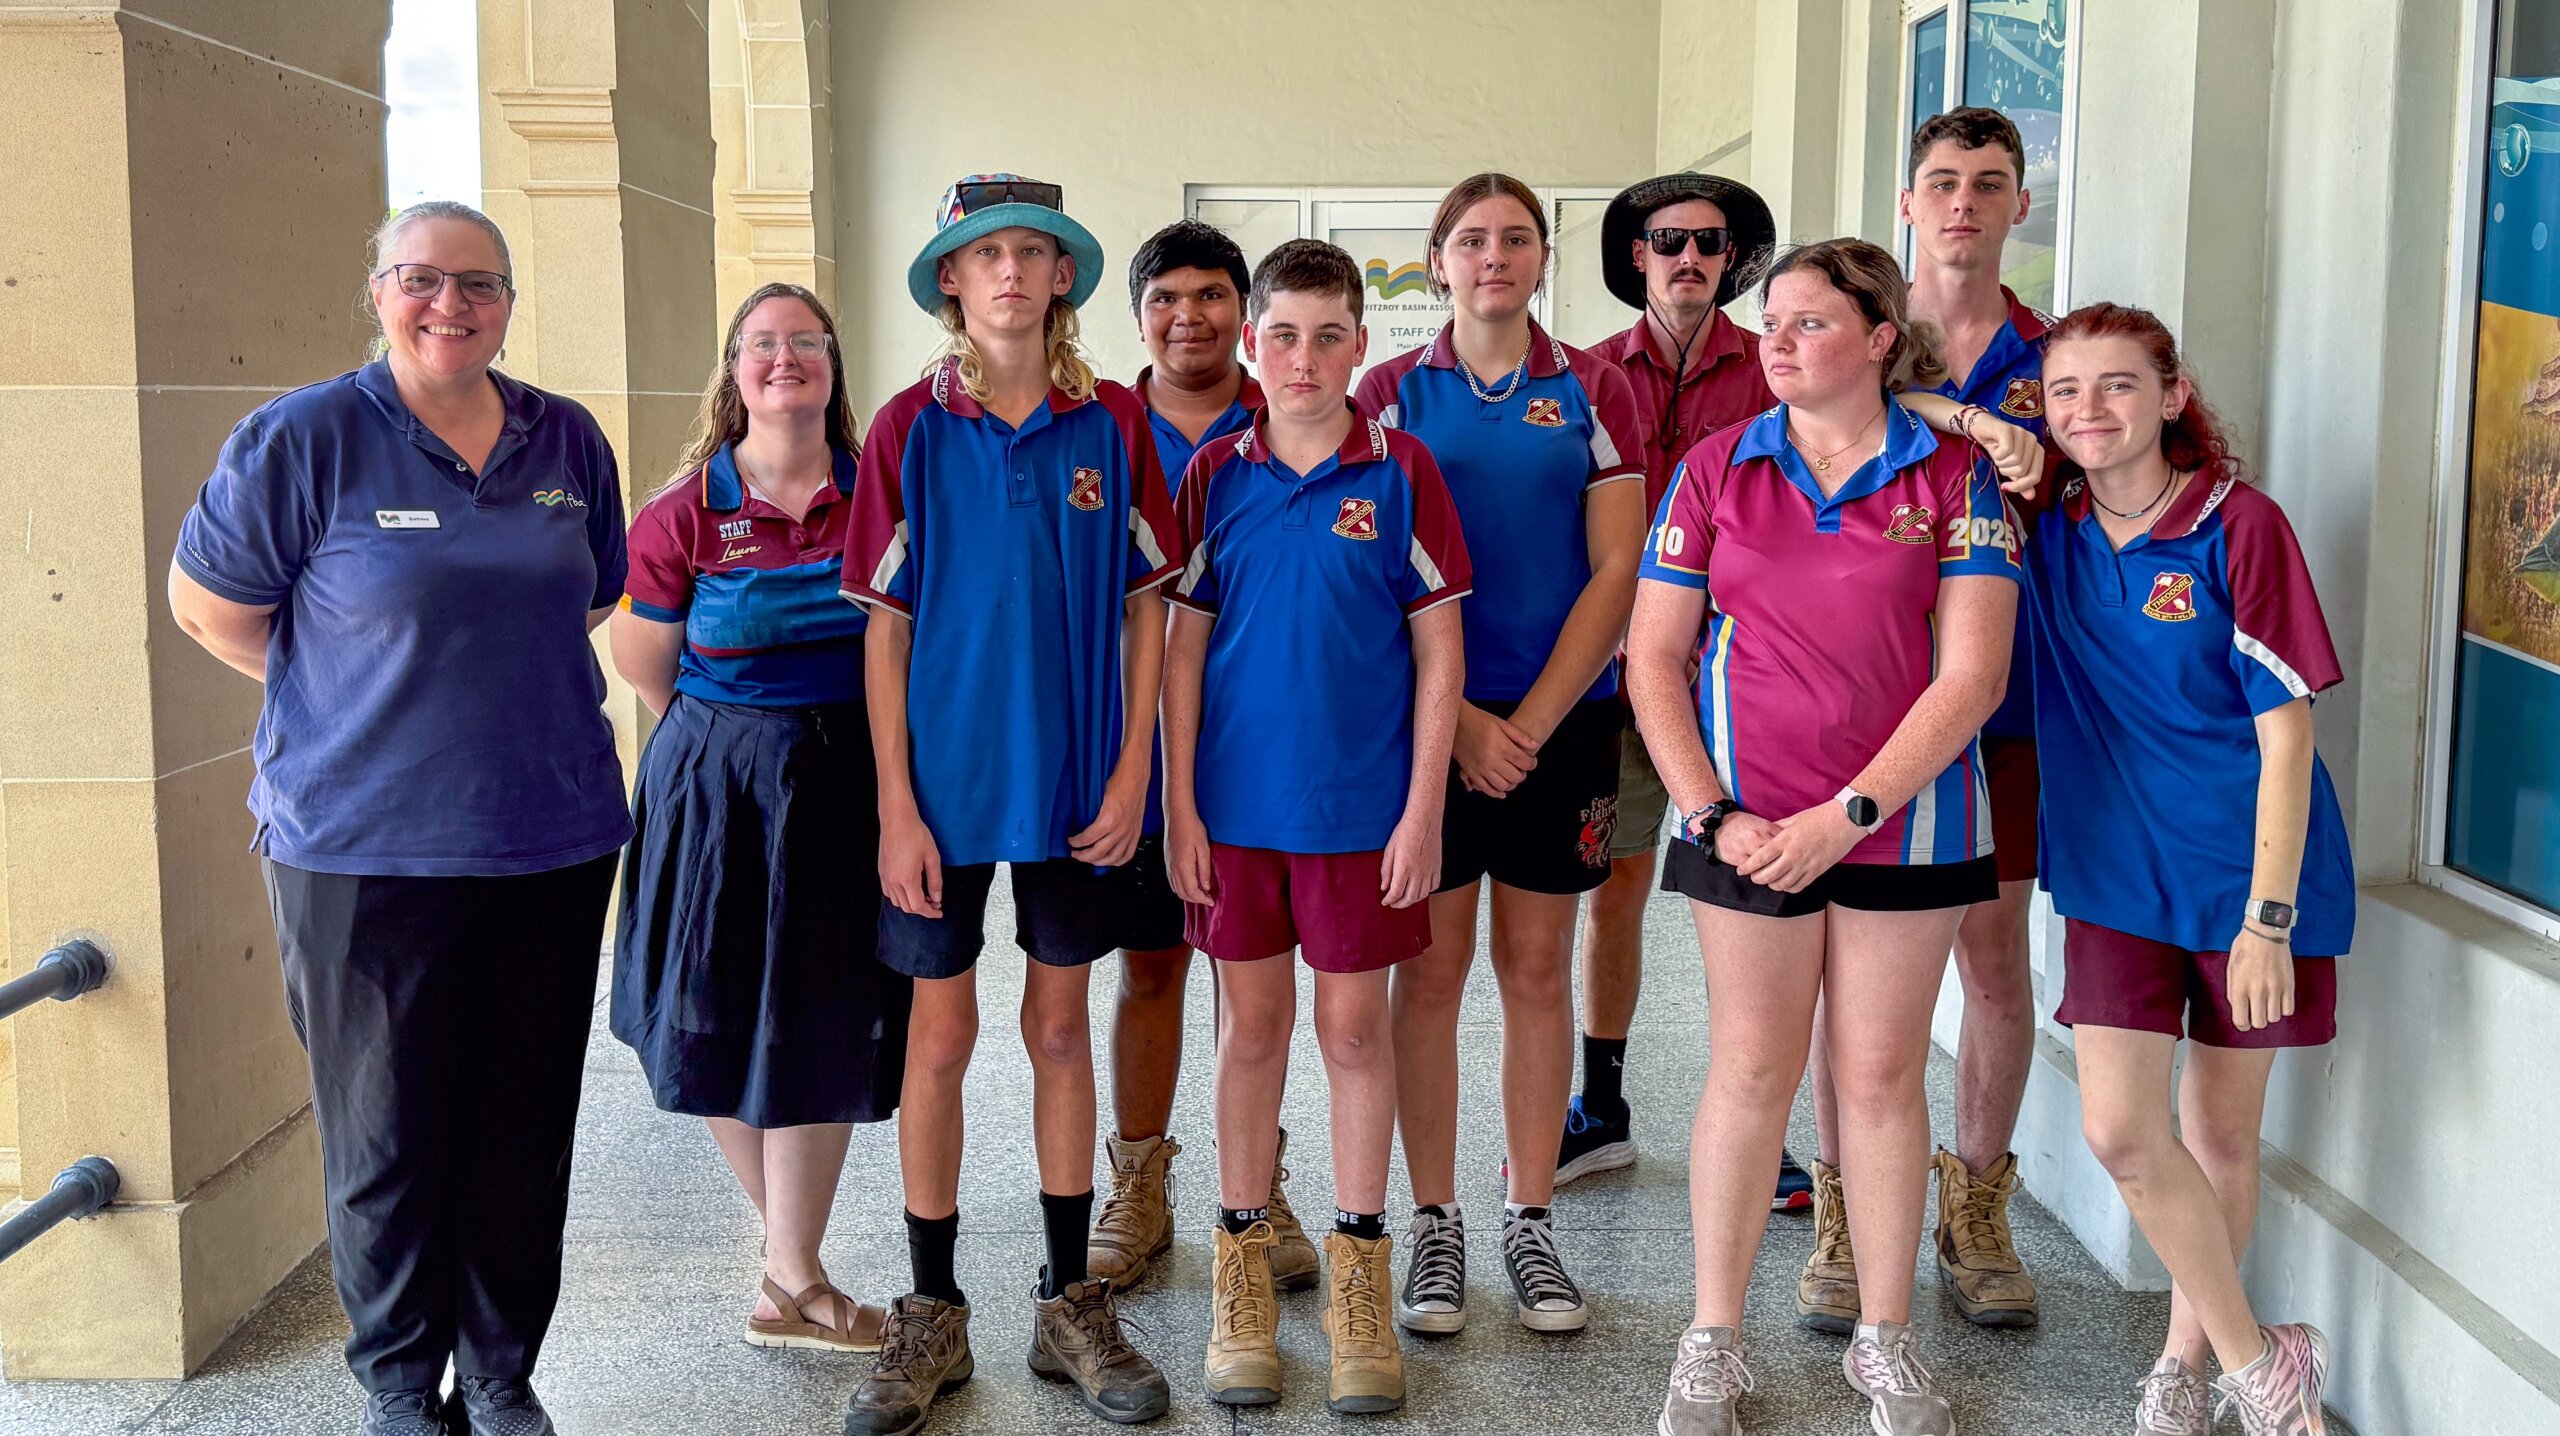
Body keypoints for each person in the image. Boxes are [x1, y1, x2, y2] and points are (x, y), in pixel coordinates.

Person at [167, 200, 628, 1436]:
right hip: (360, 847)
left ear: (509, 304)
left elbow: (585, 601)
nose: (450, 304)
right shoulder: (302, 439)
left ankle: (498, 1369)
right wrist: (357, 696)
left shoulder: (567, 440)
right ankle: (396, 1384)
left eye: (478, 283)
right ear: (377, 291)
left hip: (550, 833)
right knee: (386, 1134)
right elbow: (212, 609)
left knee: (522, 1127)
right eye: (422, 279)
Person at [1636, 238, 2020, 1436]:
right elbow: (1653, 656)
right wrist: (1711, 811)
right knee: (1751, 1069)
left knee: (1878, 1075)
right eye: (1772, 323)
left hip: (1908, 827)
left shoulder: (1958, 477)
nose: (1779, 341)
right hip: (1740, 825)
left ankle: (1884, 1343)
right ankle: (1710, 1340)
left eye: (1807, 322)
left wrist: (1844, 815)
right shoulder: (1715, 466)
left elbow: (1973, 678)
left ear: (1876, 335)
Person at [838, 174, 1177, 1435]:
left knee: (1057, 1026)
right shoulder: (904, 430)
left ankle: (1067, 1295)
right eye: (985, 255)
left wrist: (1135, 763)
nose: (1011, 273)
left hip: (1081, 783)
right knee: (938, 1038)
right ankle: (931, 1307)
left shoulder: (1114, 426)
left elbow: (1148, 603)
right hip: (944, 787)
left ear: (1063, 280)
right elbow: (885, 630)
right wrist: (895, 806)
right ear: (949, 283)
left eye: (1034, 252)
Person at [2029, 303, 2348, 1436]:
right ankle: (2265, 1361)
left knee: (2216, 1134)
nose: (2089, 410)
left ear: (2171, 395)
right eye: (2064, 390)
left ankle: (2184, 1359)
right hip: (2115, 873)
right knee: (2122, 1129)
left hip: (2244, 876)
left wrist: (2269, 916)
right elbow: (1898, 407)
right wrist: (1992, 417)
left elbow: (2287, 732)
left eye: (2117, 385)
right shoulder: (2045, 526)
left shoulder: (2237, 525)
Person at [1166, 239, 1470, 1416]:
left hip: (1359, 811)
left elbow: (1438, 646)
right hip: (1234, 814)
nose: (1302, 357)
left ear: (1361, 343)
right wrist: (1181, 802)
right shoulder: (1213, 476)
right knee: (1251, 1030)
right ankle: (1242, 1266)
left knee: (1352, 1034)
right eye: (1280, 333)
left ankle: (1356, 1269)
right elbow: (1182, 652)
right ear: (1252, 343)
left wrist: (1423, 804)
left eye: (1327, 334)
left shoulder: (1403, 471)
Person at [1354, 172, 1649, 1336]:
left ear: (1541, 259)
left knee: (1536, 970)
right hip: (1426, 720)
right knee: (1427, 976)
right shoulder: (1387, 391)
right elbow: (1370, 572)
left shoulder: (1592, 386)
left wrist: (1527, 720)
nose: (1493, 257)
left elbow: (1617, 569)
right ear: (1436, 263)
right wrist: (1463, 723)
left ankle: (1529, 1220)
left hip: (1561, 721)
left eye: (1515, 238)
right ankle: (1435, 1226)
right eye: (1470, 240)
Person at [608, 282, 912, 1353]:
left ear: (833, 367)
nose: (785, 360)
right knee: (714, 1013)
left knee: (824, 1018)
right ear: (733, 373)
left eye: (806, 344)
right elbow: (646, 660)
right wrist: (745, 742)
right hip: (716, 787)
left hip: (847, 781)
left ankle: (791, 1274)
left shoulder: (887, 489)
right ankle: (794, 1271)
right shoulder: (682, 509)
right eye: (763, 345)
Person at [1800, 106, 2056, 1334]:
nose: (1962, 203)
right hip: (1847, 707)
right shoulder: (1860, 338)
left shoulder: (2057, 358)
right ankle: (1845, 1208)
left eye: (1989, 183)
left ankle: (1973, 1202)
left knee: (1993, 956)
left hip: (1999, 703)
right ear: (1906, 206)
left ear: (2018, 206)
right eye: (1941, 182)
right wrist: (1956, 416)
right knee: (1834, 979)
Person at [1089, 219, 1319, 1297]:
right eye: (1167, 297)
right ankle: (1138, 1179)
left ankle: (1255, 1179)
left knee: (1251, 980)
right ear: (1138, 316)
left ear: (1244, 308)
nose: (1192, 316)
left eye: (1212, 295)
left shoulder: (1291, 423)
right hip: (1136, 742)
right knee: (1150, 964)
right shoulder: (1096, 425)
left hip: (1258, 748)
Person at [1571, 171, 1786, 1197]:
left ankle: (1763, 1111)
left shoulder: (1776, 366)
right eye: (1669, 241)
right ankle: (1600, 1101)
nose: (1690, 257)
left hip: (1743, 678)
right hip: (1619, 679)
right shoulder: (1585, 374)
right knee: (1616, 881)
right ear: (1635, 257)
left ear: (1733, 258)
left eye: (1710, 242)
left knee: (1754, 897)